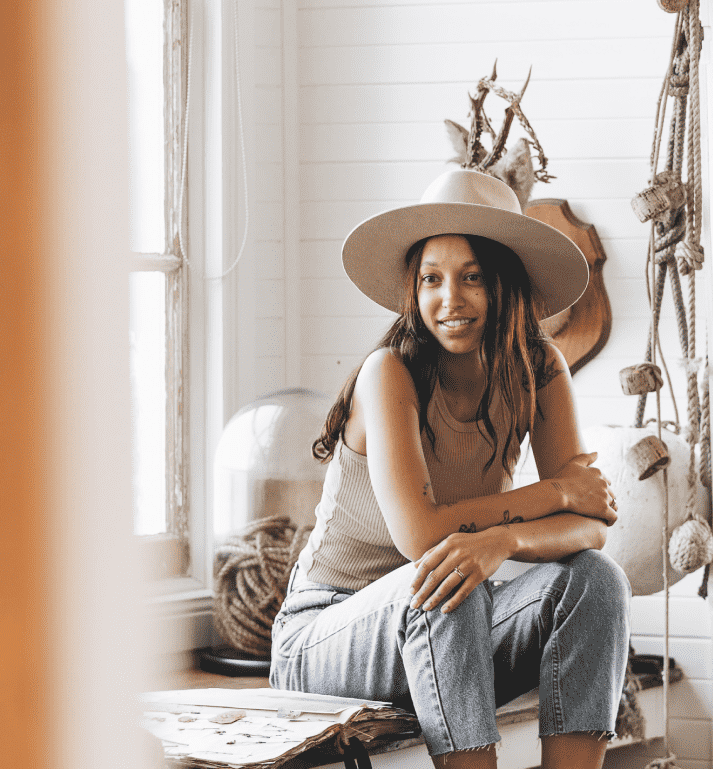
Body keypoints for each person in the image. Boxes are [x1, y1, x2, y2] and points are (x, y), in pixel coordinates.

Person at [269, 169, 630, 769]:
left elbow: (591, 526)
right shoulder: (389, 371)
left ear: (505, 285)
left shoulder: (539, 368)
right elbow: (420, 537)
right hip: (324, 637)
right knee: (446, 576)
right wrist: (556, 492)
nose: (449, 300)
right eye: (431, 280)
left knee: (596, 581)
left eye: (471, 279)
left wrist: (506, 539)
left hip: (447, 622)